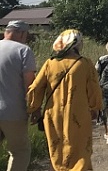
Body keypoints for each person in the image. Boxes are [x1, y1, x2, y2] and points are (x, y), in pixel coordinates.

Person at [27, 29, 102, 171]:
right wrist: (95, 107)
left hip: (53, 115)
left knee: (58, 150)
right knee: (81, 149)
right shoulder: (85, 63)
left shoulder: (50, 63)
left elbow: (36, 87)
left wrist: (34, 108)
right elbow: (94, 89)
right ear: (77, 44)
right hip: (79, 113)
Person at [0, 20, 36, 171]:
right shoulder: (23, 50)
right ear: (21, 33)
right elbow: (30, 85)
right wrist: (34, 108)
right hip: (13, 112)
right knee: (20, 151)